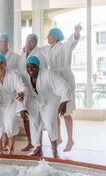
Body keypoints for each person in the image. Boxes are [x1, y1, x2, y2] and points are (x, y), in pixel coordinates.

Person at [42, 24, 81, 152]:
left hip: (65, 79)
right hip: (54, 81)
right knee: (56, 111)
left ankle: (70, 139)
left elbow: (72, 41)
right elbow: (38, 50)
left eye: (50, 35)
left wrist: (75, 33)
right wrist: (27, 48)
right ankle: (58, 137)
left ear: (56, 37)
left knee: (66, 112)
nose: (48, 36)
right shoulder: (48, 48)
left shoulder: (64, 46)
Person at [23, 56, 71, 158]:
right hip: (35, 100)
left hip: (51, 100)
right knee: (34, 122)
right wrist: (22, 108)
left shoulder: (48, 74)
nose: (30, 69)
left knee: (50, 123)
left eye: (33, 67)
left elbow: (64, 85)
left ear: (38, 67)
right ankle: (38, 148)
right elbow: (19, 89)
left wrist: (64, 102)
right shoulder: (25, 75)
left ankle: (54, 151)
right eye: (28, 66)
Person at [0, 53, 27, 154]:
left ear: (5, 64)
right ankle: (0, 149)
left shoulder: (13, 74)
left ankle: (11, 148)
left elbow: (21, 86)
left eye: (1, 63)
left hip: (10, 101)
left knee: (10, 123)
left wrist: (21, 92)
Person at [18, 33, 48, 151]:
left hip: (36, 89)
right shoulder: (23, 53)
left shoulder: (40, 55)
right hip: (25, 88)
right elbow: (20, 69)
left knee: (37, 118)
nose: (29, 43)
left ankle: (38, 145)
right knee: (26, 116)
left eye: (32, 41)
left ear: (35, 43)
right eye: (28, 40)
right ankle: (30, 142)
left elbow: (43, 70)